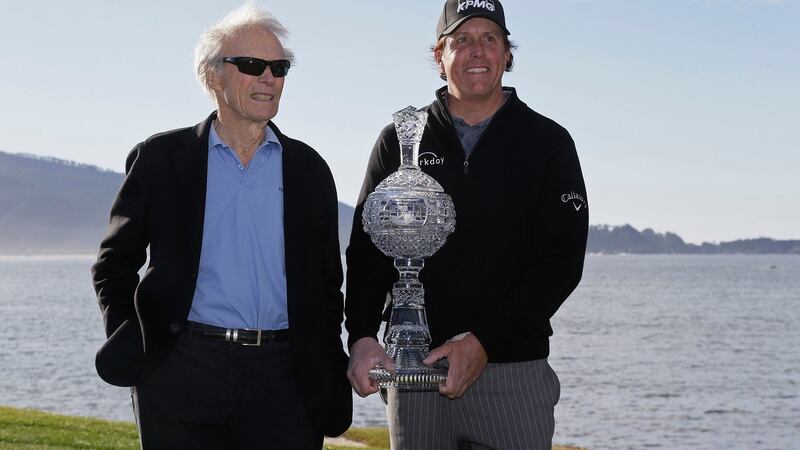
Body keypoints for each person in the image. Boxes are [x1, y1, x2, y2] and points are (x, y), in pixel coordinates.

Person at [91, 4, 351, 449]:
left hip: (285, 377)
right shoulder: (161, 159)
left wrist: (324, 363)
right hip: (180, 371)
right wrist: (136, 338)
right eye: (252, 65)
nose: (269, 78)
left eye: (279, 67)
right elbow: (114, 265)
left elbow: (328, 286)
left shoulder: (309, 170)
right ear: (213, 76)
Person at [345, 0, 588, 448]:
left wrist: (484, 342)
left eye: (489, 39)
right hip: (416, 373)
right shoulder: (400, 142)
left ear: (507, 55)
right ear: (440, 56)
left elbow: (561, 264)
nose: (476, 51)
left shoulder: (547, 143)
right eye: (461, 40)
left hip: (513, 374)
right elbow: (367, 251)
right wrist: (361, 334)